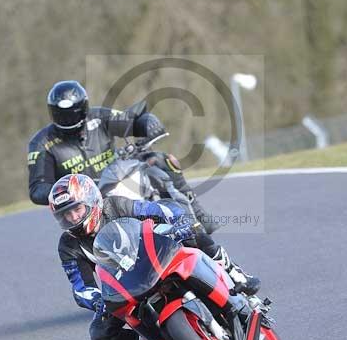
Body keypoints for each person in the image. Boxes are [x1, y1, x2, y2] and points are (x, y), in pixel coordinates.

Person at [48, 173, 261, 340]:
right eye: (65, 215)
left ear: (91, 201)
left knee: (192, 230)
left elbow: (158, 210)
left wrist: (177, 223)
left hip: (154, 256)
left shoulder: (115, 205)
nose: (73, 218)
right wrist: (97, 301)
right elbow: (81, 288)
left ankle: (234, 272)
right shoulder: (68, 245)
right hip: (124, 284)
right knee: (99, 336)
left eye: (77, 209)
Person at [28, 79, 217, 232]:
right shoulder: (42, 143)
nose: (68, 121)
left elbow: (129, 121)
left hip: (118, 177)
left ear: (83, 109)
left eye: (72, 114)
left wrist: (146, 123)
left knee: (163, 160)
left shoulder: (98, 117)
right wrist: (68, 191)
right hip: (84, 204)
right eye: (63, 115)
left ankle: (196, 213)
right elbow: (37, 189)